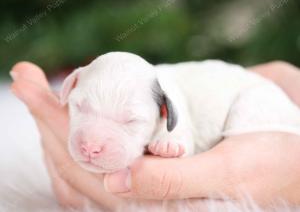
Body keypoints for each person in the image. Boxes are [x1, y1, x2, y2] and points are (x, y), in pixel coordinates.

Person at [10, 61, 300, 211]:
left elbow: (181, 137)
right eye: (81, 106)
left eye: (130, 120)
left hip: (255, 102)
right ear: (70, 85)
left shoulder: (167, 100)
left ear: (164, 113)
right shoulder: (139, 86)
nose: (92, 143)